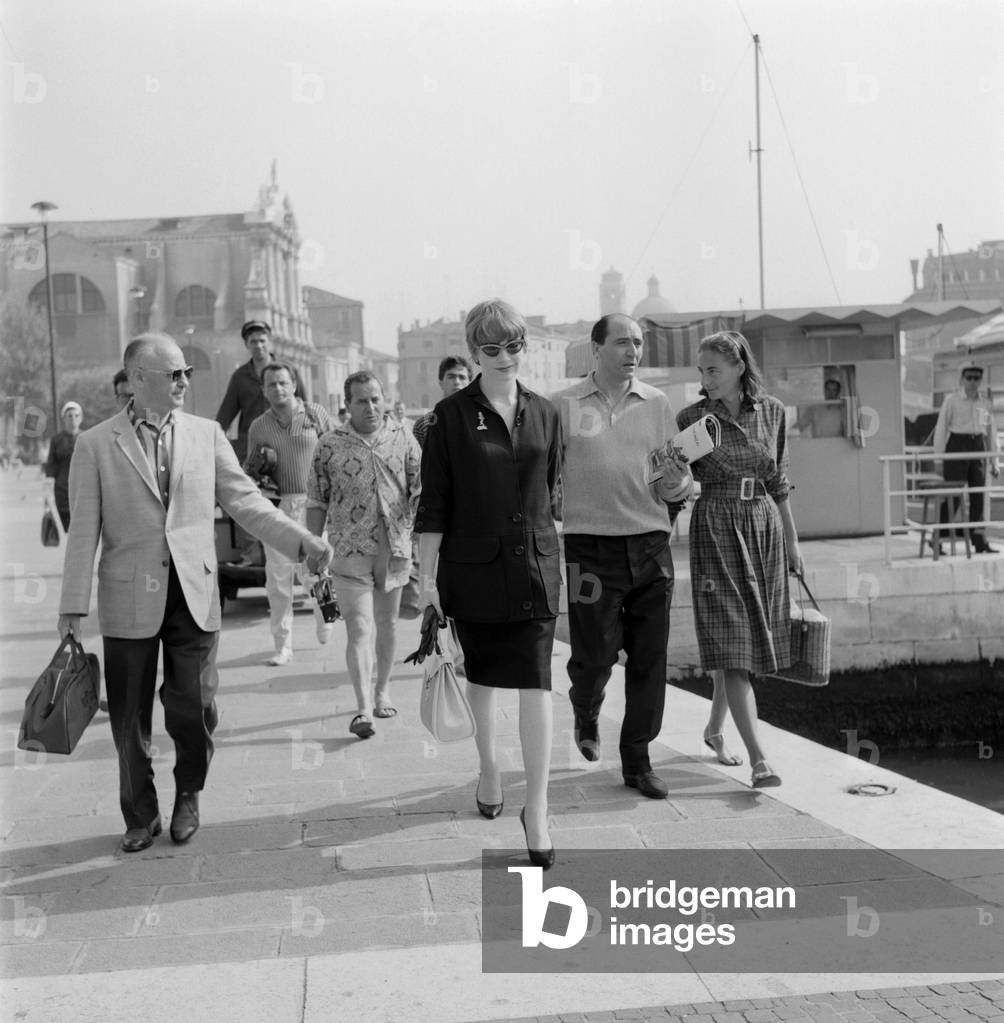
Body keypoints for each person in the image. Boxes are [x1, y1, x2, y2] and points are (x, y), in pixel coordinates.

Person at [57, 332, 332, 853]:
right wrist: (72, 607)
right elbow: (83, 532)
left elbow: (247, 502)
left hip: (195, 592)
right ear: (139, 379)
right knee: (129, 717)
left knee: (195, 705)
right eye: (174, 374)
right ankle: (140, 814)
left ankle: (189, 791)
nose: (184, 381)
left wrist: (303, 543)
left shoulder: (207, 435)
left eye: (187, 372)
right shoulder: (94, 445)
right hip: (127, 597)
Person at [416, 299, 561, 869]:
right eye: (492, 348)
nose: (505, 357)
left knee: (537, 685)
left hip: (535, 571)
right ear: (474, 352)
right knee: (481, 677)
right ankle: (489, 768)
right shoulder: (449, 417)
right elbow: (434, 505)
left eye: (514, 346)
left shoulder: (546, 412)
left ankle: (538, 808)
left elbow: (551, 490)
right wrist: (426, 580)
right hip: (473, 572)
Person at [554, 314, 692, 800]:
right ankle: (586, 708)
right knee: (594, 655)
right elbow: (543, 477)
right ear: (596, 349)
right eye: (621, 342)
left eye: (637, 342)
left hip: (651, 545)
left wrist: (678, 483)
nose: (632, 351)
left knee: (650, 659)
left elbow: (676, 482)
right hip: (588, 548)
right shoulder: (563, 405)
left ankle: (637, 761)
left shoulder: (657, 403)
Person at [676, 330, 803, 789]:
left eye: (713, 370)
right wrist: (668, 474)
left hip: (764, 525)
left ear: (739, 367)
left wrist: (793, 543)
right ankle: (760, 760)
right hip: (715, 527)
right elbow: (673, 480)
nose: (705, 379)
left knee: (744, 645)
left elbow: (779, 481)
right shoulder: (693, 418)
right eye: (702, 371)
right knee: (731, 644)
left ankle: (714, 729)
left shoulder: (772, 411)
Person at [307, 371, 421, 736]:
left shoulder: (403, 436)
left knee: (387, 624)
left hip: (394, 549)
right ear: (347, 405)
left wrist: (422, 538)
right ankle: (362, 709)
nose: (370, 407)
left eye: (375, 399)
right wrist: (312, 545)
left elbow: (420, 489)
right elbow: (316, 499)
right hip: (348, 549)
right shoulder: (329, 444)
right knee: (358, 627)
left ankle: (382, 691)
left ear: (384, 399)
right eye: (361, 401)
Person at [245, 362, 333, 665]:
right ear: (263, 390)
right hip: (278, 507)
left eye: (283, 382)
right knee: (278, 577)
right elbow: (250, 471)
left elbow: (334, 453)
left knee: (316, 569)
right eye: (271, 384)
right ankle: (282, 645)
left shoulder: (315, 414)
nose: (278, 388)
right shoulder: (259, 426)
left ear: (294, 385)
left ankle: (325, 614)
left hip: (314, 505)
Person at [933, 362, 1000, 555]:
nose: (972, 382)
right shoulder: (951, 400)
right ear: (962, 379)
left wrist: (994, 460)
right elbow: (941, 429)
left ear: (980, 380)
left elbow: (990, 432)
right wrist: (938, 459)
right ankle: (937, 538)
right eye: (969, 377)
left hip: (977, 446)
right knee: (953, 496)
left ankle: (979, 541)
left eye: (976, 378)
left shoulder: (985, 402)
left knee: (979, 496)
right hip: (957, 445)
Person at [215, 320, 304, 463]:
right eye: (253, 341)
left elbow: (304, 407)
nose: (259, 345)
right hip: (252, 450)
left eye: (262, 340)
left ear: (270, 342)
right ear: (247, 344)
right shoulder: (240, 377)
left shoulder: (288, 371)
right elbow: (225, 416)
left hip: (286, 445)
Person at [412, 356, 473, 449]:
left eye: (462, 377)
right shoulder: (424, 425)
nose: (457, 382)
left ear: (470, 384)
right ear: (441, 382)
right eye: (451, 377)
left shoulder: (483, 421)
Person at [44, 401, 84, 530]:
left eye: (76, 415)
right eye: (69, 416)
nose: (73, 419)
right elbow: (51, 464)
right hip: (62, 490)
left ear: (81, 418)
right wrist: (48, 491)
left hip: (83, 489)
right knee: (66, 528)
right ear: (64, 419)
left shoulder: (86, 438)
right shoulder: (56, 440)